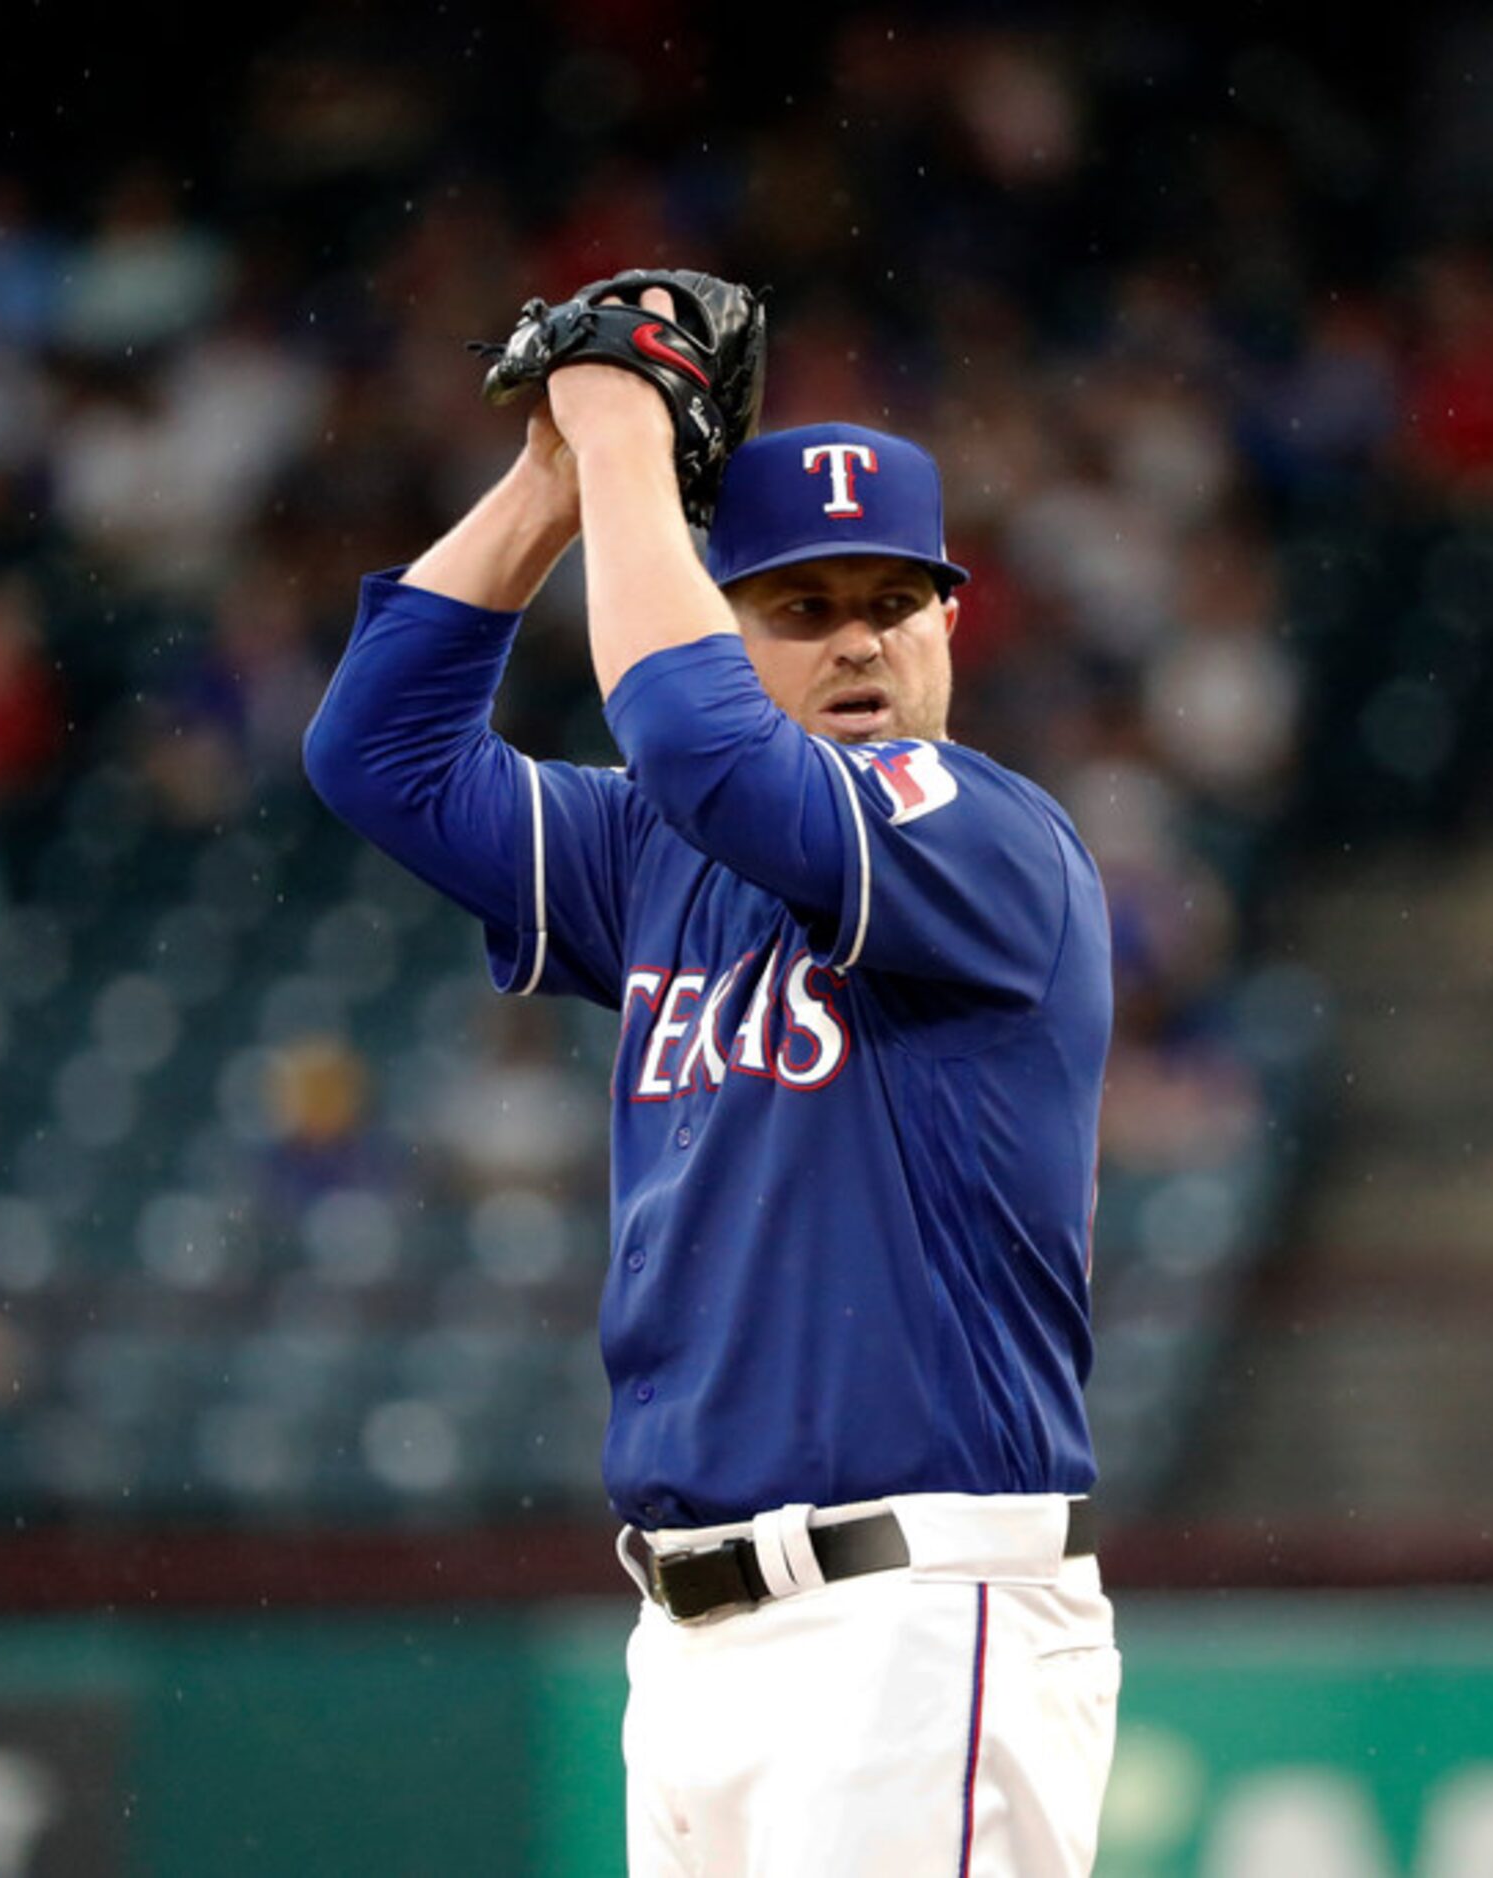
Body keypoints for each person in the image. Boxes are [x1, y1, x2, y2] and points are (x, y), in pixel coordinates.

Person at [304, 287, 1119, 1875]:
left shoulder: (983, 833)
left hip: (913, 1614)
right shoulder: (665, 860)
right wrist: (551, 473)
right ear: (728, 620)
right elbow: (375, 753)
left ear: (955, 621)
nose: (862, 638)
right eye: (801, 606)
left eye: (898, 597)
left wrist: (621, 424)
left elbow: (693, 742)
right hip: (690, 1639)